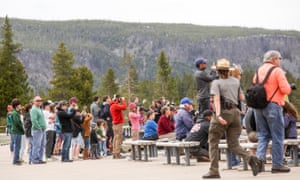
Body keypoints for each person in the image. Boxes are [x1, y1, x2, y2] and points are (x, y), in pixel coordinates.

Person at [202, 58, 260, 179]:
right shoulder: (236, 82)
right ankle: (250, 158)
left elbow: (216, 100)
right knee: (233, 144)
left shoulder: (216, 83)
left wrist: (218, 115)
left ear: (218, 71)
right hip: (235, 114)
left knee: (213, 142)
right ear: (228, 71)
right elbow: (241, 98)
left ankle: (214, 171)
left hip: (223, 112)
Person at [253, 50, 292, 173]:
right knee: (277, 136)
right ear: (274, 59)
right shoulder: (277, 71)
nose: (280, 60)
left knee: (263, 135)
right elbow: (285, 89)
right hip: (273, 106)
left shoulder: (258, 71)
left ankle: (259, 161)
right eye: (279, 58)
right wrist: (290, 87)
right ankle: (277, 165)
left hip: (258, 107)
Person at [30, 96, 47, 164]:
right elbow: (34, 120)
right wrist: (39, 127)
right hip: (37, 130)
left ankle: (40, 158)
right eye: (37, 100)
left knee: (42, 145)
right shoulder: (34, 109)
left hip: (43, 129)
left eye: (40, 100)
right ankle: (35, 159)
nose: (39, 102)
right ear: (34, 101)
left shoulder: (39, 108)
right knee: (37, 145)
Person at [110, 94, 127, 159]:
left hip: (114, 124)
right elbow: (124, 107)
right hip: (118, 124)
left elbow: (117, 104)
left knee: (115, 138)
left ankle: (114, 153)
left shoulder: (112, 105)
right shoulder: (115, 106)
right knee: (119, 139)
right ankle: (117, 153)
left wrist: (117, 100)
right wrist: (123, 100)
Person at [10, 98, 24, 165]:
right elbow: (17, 123)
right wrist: (22, 129)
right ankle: (15, 160)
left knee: (18, 146)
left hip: (16, 131)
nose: (20, 105)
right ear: (16, 105)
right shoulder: (15, 113)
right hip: (17, 131)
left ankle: (17, 159)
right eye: (19, 104)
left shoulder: (16, 112)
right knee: (17, 146)